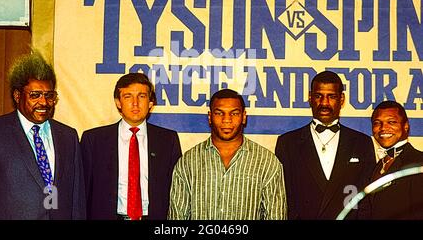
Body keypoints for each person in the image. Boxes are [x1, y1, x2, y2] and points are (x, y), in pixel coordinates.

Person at [0, 51, 85, 219]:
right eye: (35, 95)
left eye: (49, 96)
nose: (43, 102)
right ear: (17, 96)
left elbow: (76, 201)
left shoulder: (68, 137)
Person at [168, 88, 287, 220]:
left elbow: (276, 216)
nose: (226, 120)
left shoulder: (267, 162)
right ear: (209, 117)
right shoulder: (188, 162)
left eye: (234, 114)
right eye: (219, 113)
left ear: (244, 117)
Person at [275, 70, 376, 219]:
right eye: (318, 96)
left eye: (331, 96)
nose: (324, 103)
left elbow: (366, 201)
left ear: (341, 99)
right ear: (310, 98)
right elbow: (282, 199)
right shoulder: (287, 143)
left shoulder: (362, 143)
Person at [81, 72, 182, 220]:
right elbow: (82, 192)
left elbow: (177, 190)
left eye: (141, 96)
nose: (135, 103)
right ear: (118, 102)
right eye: (128, 96)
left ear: (150, 103)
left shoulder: (168, 140)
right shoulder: (94, 140)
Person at [358, 100, 423, 219]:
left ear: (406, 126)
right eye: (377, 123)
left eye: (391, 122)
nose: (383, 128)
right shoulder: (375, 166)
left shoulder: (419, 163)